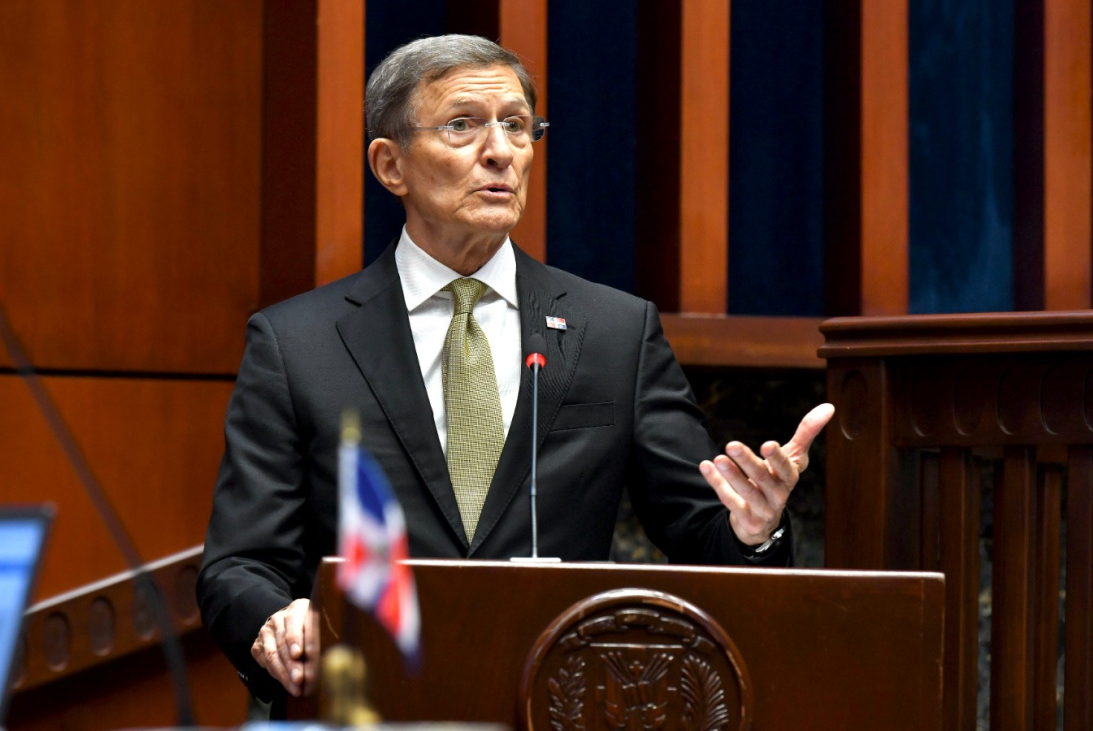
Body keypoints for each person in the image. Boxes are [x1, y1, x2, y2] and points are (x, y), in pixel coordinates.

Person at [196, 34, 833, 705]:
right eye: (463, 125)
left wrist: (754, 529)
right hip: (368, 704)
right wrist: (276, 618)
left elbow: (703, 536)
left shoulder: (614, 332)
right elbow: (240, 562)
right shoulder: (299, 343)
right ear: (391, 165)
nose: (500, 150)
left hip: (562, 703)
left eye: (517, 126)